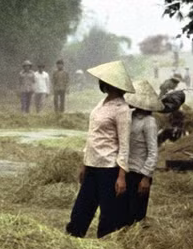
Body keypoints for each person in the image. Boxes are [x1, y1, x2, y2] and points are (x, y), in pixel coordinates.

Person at [66, 60, 133, 239]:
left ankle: (105, 246)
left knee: (108, 214)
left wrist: (121, 176)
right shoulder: (101, 103)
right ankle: (72, 240)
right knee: (81, 209)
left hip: (109, 168)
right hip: (92, 165)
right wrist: (84, 163)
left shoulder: (122, 109)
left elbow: (125, 144)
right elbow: (92, 135)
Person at [124, 80, 160, 226]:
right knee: (124, 213)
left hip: (139, 173)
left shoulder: (149, 122)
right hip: (127, 170)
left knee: (136, 214)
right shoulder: (130, 116)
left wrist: (146, 177)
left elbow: (153, 151)